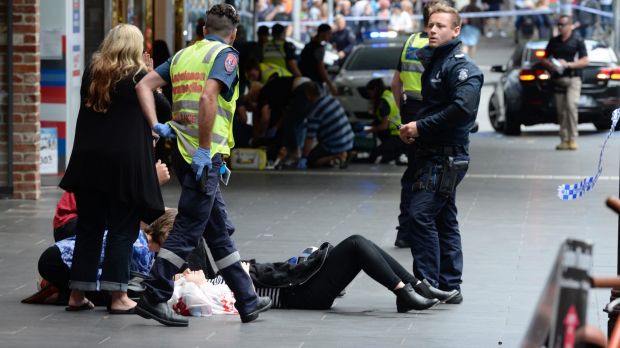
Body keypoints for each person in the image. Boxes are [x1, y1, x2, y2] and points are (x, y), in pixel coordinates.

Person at [135, 4, 271, 326]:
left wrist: (157, 125)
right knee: (188, 229)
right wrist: (207, 150)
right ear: (233, 34)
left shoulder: (183, 56)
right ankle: (154, 294)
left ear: (203, 30)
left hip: (183, 152)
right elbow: (209, 98)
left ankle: (247, 300)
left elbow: (143, 85)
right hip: (201, 158)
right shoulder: (227, 56)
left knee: (218, 231)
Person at [59, 24, 165, 314]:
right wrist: (154, 78)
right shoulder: (139, 77)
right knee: (122, 228)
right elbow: (163, 110)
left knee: (89, 227)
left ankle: (77, 294)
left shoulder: (92, 76)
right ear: (135, 48)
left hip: (88, 161)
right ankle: (118, 297)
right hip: (123, 165)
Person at [398, 3, 483, 304]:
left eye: (440, 26)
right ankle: (449, 286)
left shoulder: (462, 68)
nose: (432, 30)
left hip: (447, 157)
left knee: (420, 215)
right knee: (444, 219)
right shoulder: (436, 61)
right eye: (430, 24)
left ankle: (428, 285)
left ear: (456, 30)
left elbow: (462, 111)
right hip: (433, 153)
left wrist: (420, 127)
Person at [174, 235, 458, 314]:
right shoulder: (200, 285)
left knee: (362, 245)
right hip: (300, 294)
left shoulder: (214, 276)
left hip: (300, 286)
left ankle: (415, 287)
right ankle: (405, 291)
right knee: (356, 244)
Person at [390, 2, 431, 248]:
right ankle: (421, 230)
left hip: (410, 109)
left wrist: (401, 113)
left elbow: (396, 83)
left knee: (412, 172)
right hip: (430, 112)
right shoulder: (437, 46)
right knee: (429, 172)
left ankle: (404, 231)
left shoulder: (411, 41)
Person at [541, 15, 589, 151]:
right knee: (561, 110)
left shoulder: (577, 40)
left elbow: (585, 60)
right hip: (558, 79)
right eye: (559, 25)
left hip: (573, 78)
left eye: (563, 25)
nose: (560, 27)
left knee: (571, 106)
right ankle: (564, 138)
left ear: (570, 26)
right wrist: (551, 64)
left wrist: (568, 64)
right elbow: (544, 58)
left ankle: (572, 138)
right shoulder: (554, 41)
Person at [298, 82, 354, 169]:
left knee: (312, 160)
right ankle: (338, 156)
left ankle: (338, 156)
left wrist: (304, 157)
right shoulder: (330, 99)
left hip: (336, 144)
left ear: (308, 95)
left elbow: (310, 138)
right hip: (348, 140)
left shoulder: (315, 112)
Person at [364, 78, 405, 164]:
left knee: (374, 156)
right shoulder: (389, 95)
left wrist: (368, 130)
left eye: (370, 93)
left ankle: (396, 154)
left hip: (396, 136)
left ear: (375, 89)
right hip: (400, 134)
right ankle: (395, 154)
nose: (370, 96)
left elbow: (384, 126)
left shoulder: (384, 102)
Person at [299, 24, 338, 96]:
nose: (330, 36)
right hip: (315, 82)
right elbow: (321, 68)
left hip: (305, 80)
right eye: (329, 33)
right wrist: (331, 85)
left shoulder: (308, 46)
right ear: (322, 33)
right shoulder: (319, 48)